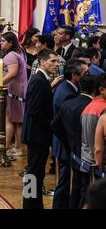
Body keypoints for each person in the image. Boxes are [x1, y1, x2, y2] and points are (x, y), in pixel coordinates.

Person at [51, 75, 96, 208]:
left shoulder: (68, 103)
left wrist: (69, 142)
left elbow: (54, 125)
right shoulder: (91, 107)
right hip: (87, 155)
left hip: (73, 152)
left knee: (74, 189)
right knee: (85, 191)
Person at [22, 49, 58, 209]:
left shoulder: (42, 79)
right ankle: (30, 205)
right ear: (42, 62)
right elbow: (35, 110)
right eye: (53, 61)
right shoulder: (38, 80)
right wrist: (52, 124)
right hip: (37, 134)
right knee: (33, 173)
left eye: (56, 61)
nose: (56, 65)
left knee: (37, 172)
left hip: (38, 134)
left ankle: (34, 204)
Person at [0, 31, 28, 156]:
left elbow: (12, 73)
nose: (0, 43)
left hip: (13, 90)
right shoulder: (18, 52)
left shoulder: (11, 56)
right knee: (15, 120)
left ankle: (6, 147)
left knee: (10, 119)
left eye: (3, 41)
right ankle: (15, 147)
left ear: (10, 43)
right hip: (17, 89)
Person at [80, 74, 106, 196]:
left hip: (86, 161)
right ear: (101, 89)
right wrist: (100, 167)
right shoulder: (103, 109)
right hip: (97, 165)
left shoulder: (88, 106)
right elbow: (99, 149)